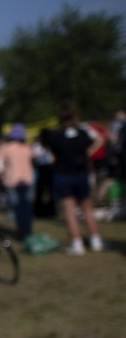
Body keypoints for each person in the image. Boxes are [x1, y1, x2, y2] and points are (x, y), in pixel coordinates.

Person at [43, 102, 104, 254]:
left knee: (69, 210)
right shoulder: (83, 131)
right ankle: (95, 240)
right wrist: (87, 154)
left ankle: (77, 244)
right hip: (81, 173)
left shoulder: (55, 135)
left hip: (63, 175)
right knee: (87, 208)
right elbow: (100, 139)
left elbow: (50, 154)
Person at [0, 124, 36, 240]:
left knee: (17, 207)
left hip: (11, 180)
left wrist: (1, 178)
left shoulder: (5, 149)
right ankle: (28, 230)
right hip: (28, 179)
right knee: (27, 207)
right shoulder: (27, 147)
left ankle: (22, 231)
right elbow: (33, 161)